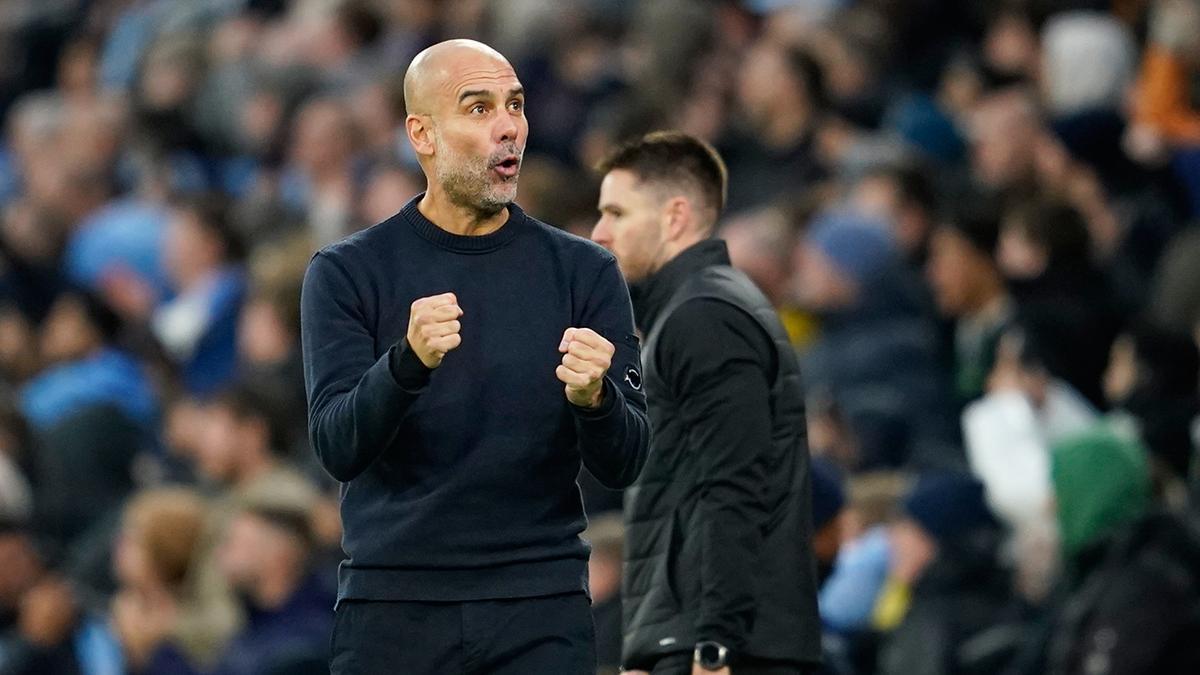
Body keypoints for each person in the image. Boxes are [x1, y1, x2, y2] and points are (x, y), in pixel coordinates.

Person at [300, 39, 649, 674]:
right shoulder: (347, 272)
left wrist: (597, 401)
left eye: (514, 106)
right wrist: (404, 363)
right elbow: (336, 446)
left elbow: (625, 462)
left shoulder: (585, 272)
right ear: (422, 134)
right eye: (479, 108)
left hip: (539, 606)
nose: (508, 126)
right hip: (394, 607)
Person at [591, 131, 820, 674]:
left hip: (722, 647)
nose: (599, 232)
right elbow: (675, 493)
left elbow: (734, 485)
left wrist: (714, 644)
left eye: (617, 213)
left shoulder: (705, 317)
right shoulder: (687, 313)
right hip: (691, 638)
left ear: (674, 217)